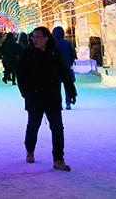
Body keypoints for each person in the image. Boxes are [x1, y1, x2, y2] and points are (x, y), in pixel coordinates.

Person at [17, 26, 77, 171]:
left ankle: (58, 159)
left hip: (52, 96)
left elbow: (65, 73)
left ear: (46, 38)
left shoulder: (54, 54)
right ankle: (30, 150)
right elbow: (20, 75)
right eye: (33, 37)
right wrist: (26, 93)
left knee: (57, 128)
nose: (34, 39)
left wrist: (71, 90)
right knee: (33, 125)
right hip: (35, 97)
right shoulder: (27, 54)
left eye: (38, 37)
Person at [52, 26, 77, 109]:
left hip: (55, 69)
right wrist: (70, 64)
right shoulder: (67, 43)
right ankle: (68, 102)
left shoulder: (52, 44)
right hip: (66, 68)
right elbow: (72, 55)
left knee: (56, 87)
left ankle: (59, 104)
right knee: (67, 86)